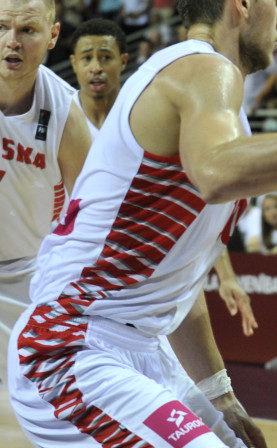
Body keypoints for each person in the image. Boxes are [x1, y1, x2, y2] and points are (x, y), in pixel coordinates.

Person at [8, 0, 277, 446]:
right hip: (70, 342)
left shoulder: (223, 109)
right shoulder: (202, 67)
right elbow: (215, 173)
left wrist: (219, 397)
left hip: (139, 346)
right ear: (241, 5)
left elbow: (179, 279)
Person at [70, 17, 258, 335]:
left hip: (147, 268)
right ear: (73, 64)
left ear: (123, 62)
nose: (96, 68)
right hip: (83, 279)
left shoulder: (144, 115)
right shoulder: (64, 117)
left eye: (105, 57)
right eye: (87, 58)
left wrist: (225, 275)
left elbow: (195, 208)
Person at [0, 0, 92, 383]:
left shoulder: (66, 114)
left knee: (49, 397)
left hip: (28, 274)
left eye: (28, 31)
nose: (11, 41)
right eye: (2, 27)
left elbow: (93, 214)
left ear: (53, 36)